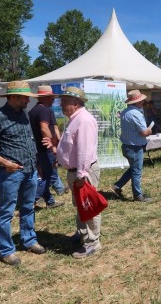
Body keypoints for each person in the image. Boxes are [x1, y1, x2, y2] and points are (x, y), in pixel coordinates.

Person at [0, 81, 46, 265]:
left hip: (30, 170)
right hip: (10, 174)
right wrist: (5, 163)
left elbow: (28, 141)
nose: (27, 101)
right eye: (25, 97)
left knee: (28, 207)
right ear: (14, 97)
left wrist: (36, 162)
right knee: (7, 211)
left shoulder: (22, 114)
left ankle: (29, 240)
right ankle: (6, 249)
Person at [55, 86, 102, 259]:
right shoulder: (75, 118)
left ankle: (92, 242)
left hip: (83, 171)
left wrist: (81, 174)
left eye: (64, 102)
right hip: (76, 171)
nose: (61, 105)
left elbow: (84, 150)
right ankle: (82, 233)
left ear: (75, 103)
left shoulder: (83, 120)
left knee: (88, 206)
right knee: (80, 204)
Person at [111, 90, 153, 202]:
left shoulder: (125, 112)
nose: (144, 102)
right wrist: (149, 131)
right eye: (142, 101)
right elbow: (143, 132)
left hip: (127, 145)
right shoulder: (136, 114)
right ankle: (138, 195)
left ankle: (116, 186)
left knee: (134, 169)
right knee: (136, 171)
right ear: (138, 102)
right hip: (135, 147)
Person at [28, 85, 65, 209]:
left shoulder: (33, 110)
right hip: (45, 148)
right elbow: (44, 128)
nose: (52, 100)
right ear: (45, 98)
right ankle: (32, 200)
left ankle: (49, 201)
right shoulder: (45, 110)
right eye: (50, 98)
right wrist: (53, 145)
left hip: (37, 147)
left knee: (44, 175)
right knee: (50, 176)